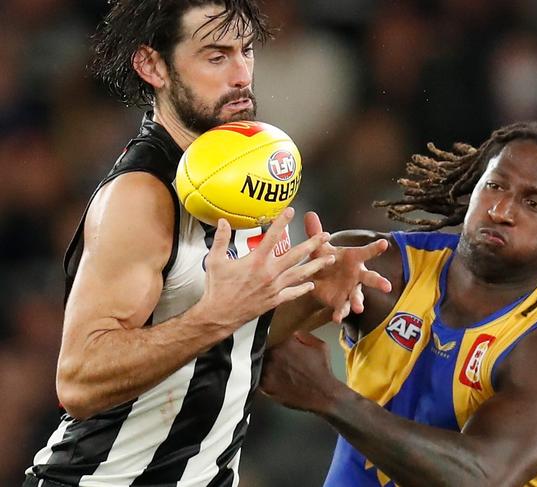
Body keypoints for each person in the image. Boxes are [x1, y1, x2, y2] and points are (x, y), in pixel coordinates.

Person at [23, 1, 389, 486]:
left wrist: (312, 296)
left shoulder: (243, 169)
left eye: (247, 51)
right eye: (216, 56)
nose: (242, 75)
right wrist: (216, 313)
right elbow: (79, 378)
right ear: (152, 64)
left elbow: (226, 337)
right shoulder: (141, 194)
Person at [260, 118, 537, 486]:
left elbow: (479, 478)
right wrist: (303, 302)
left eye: (534, 203)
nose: (502, 211)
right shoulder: (379, 267)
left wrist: (328, 396)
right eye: (494, 186)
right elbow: (236, 344)